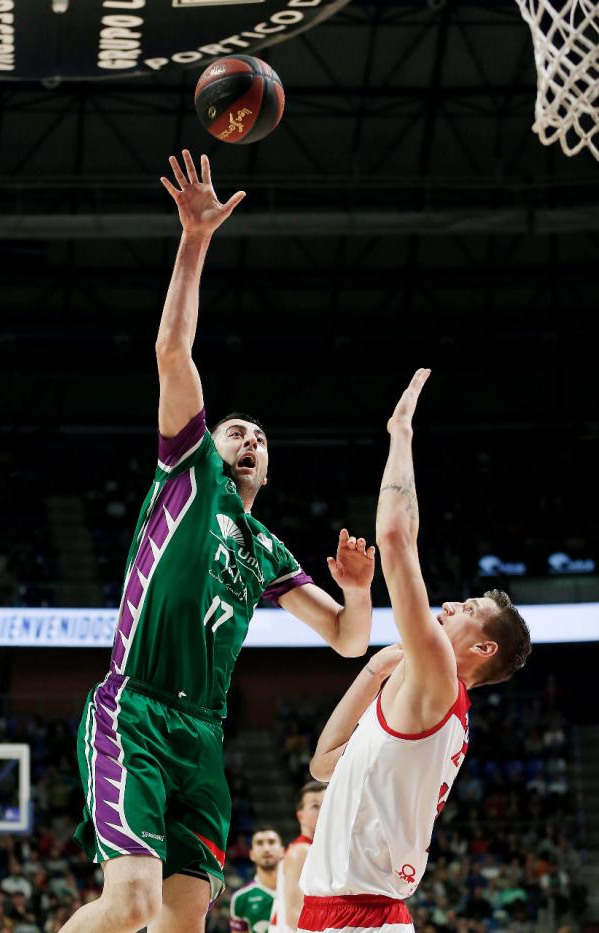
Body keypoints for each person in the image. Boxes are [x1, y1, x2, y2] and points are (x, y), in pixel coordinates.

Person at [61, 150, 376, 933]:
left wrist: (361, 587)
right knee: (129, 902)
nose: (250, 440)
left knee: (181, 919)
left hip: (203, 733)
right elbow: (174, 351)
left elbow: (346, 639)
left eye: (262, 438)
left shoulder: (268, 548)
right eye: (239, 428)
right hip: (132, 707)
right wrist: (195, 238)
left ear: (266, 469)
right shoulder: (187, 474)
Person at [299, 369, 532, 933]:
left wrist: (399, 434)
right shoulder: (417, 691)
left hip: (363, 917)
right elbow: (325, 765)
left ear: (481, 645)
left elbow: (398, 539)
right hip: (331, 911)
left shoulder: (440, 680)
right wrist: (378, 664)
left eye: (469, 608)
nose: (452, 605)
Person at [269, 781, 325, 933]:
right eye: (315, 806)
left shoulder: (315, 848)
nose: (323, 810)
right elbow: (293, 915)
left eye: (327, 803)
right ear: (301, 816)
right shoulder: (301, 851)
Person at [230, 826, 284, 933]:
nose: (266, 849)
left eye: (272, 842)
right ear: (252, 854)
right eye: (259, 843)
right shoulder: (240, 898)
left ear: (283, 851)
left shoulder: (300, 890)